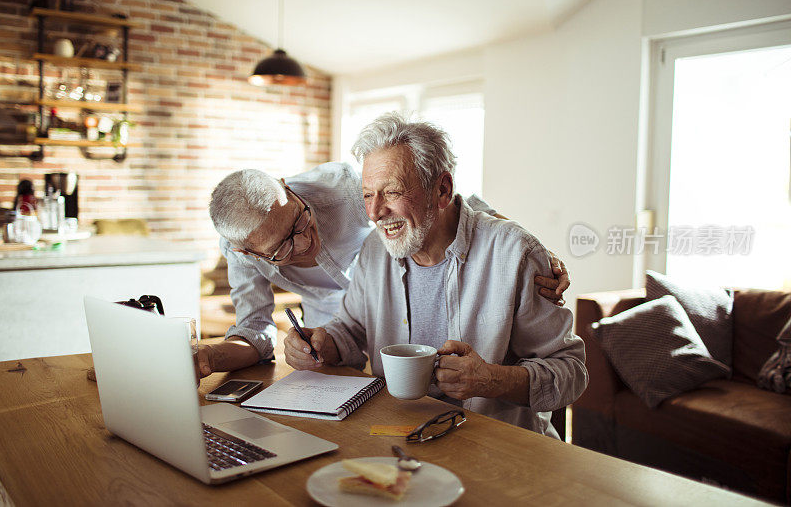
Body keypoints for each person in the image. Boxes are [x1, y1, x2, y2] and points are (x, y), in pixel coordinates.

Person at [284, 113, 587, 438]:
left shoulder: (515, 253)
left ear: (442, 190)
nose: (375, 213)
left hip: (493, 445)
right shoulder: (374, 249)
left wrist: (491, 380)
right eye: (368, 195)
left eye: (392, 192)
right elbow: (351, 328)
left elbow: (571, 372)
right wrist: (322, 343)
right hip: (394, 434)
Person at [202, 162, 570, 380]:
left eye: (300, 220)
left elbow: (452, 207)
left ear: (287, 187)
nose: (303, 244)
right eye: (281, 248)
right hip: (329, 328)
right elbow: (253, 329)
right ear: (246, 251)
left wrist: (529, 248)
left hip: (390, 302)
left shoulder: (346, 188)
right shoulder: (239, 251)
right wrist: (208, 356)